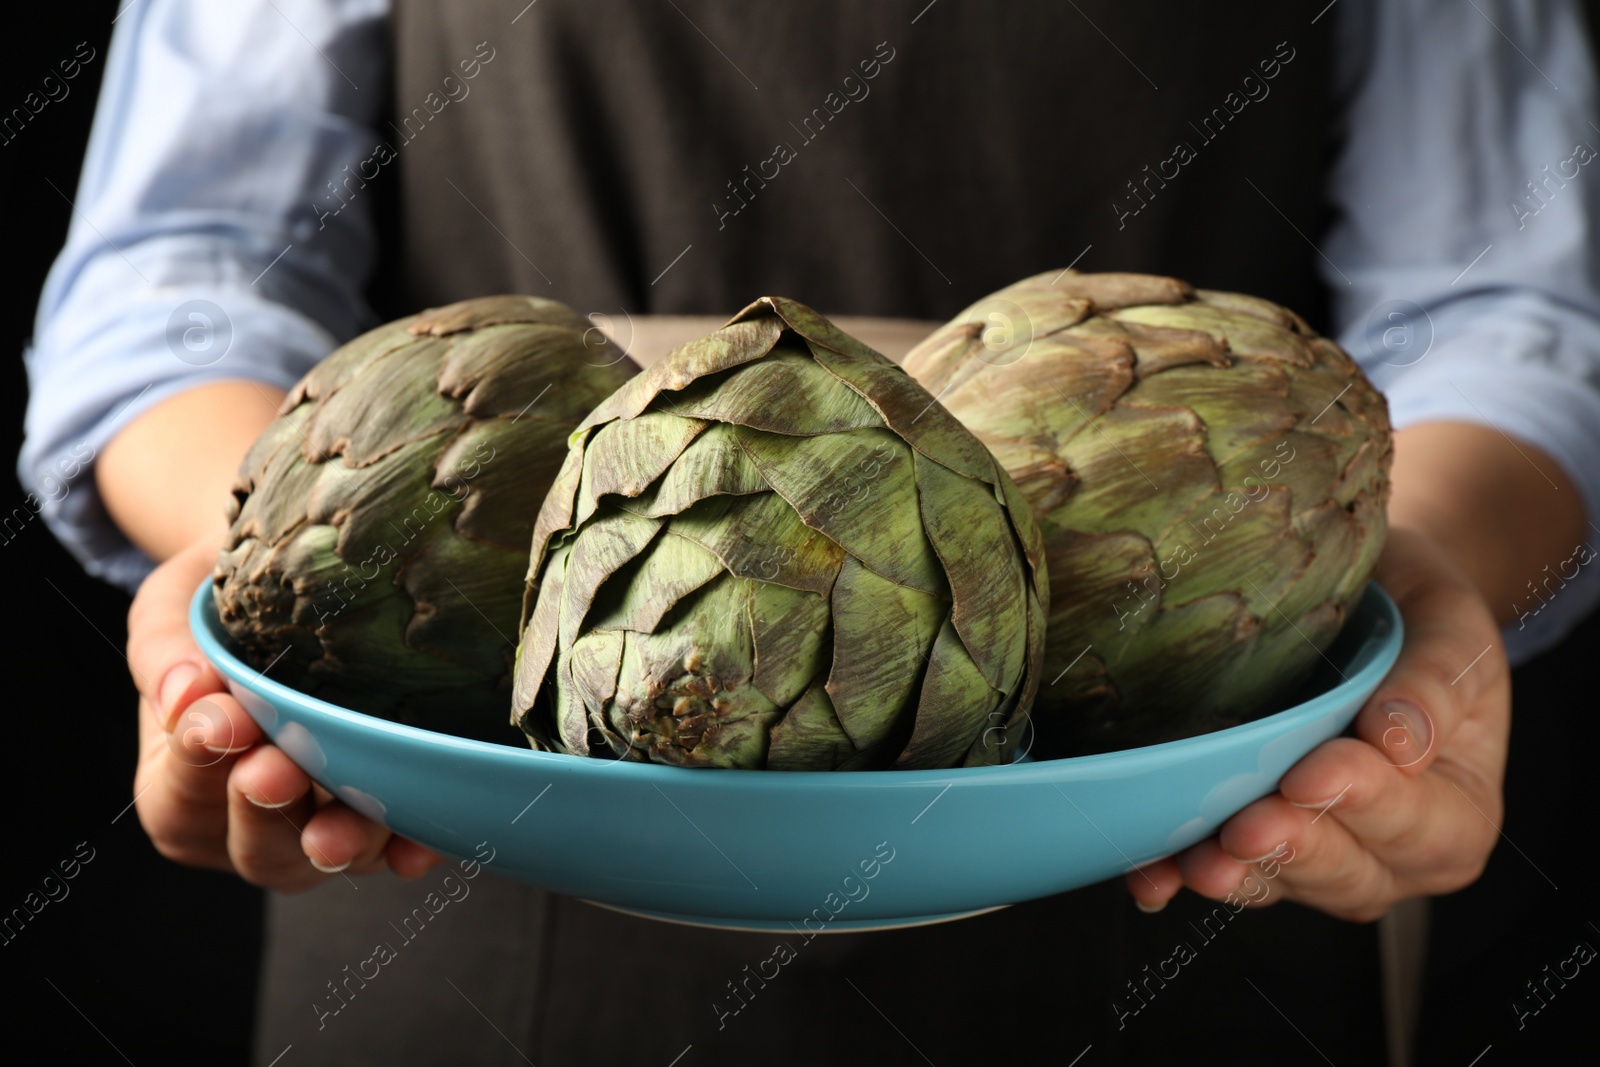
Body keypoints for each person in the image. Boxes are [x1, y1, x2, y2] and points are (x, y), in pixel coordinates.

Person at [20, 0, 1600, 1063]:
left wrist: (1423, 570)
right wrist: (306, 554)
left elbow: (1507, 300)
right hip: (463, 850)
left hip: (1186, 839)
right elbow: (178, 269)